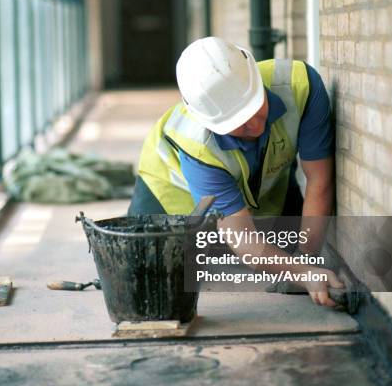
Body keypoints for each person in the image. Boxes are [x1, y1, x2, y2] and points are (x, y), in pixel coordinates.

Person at [129, 37, 344, 307]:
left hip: (260, 184)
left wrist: (305, 263)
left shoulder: (301, 85)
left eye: (256, 106)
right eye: (238, 123)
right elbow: (241, 236)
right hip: (171, 190)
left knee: (286, 252)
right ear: (211, 122)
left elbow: (319, 180)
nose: (255, 125)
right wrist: (303, 273)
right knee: (147, 270)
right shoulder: (196, 146)